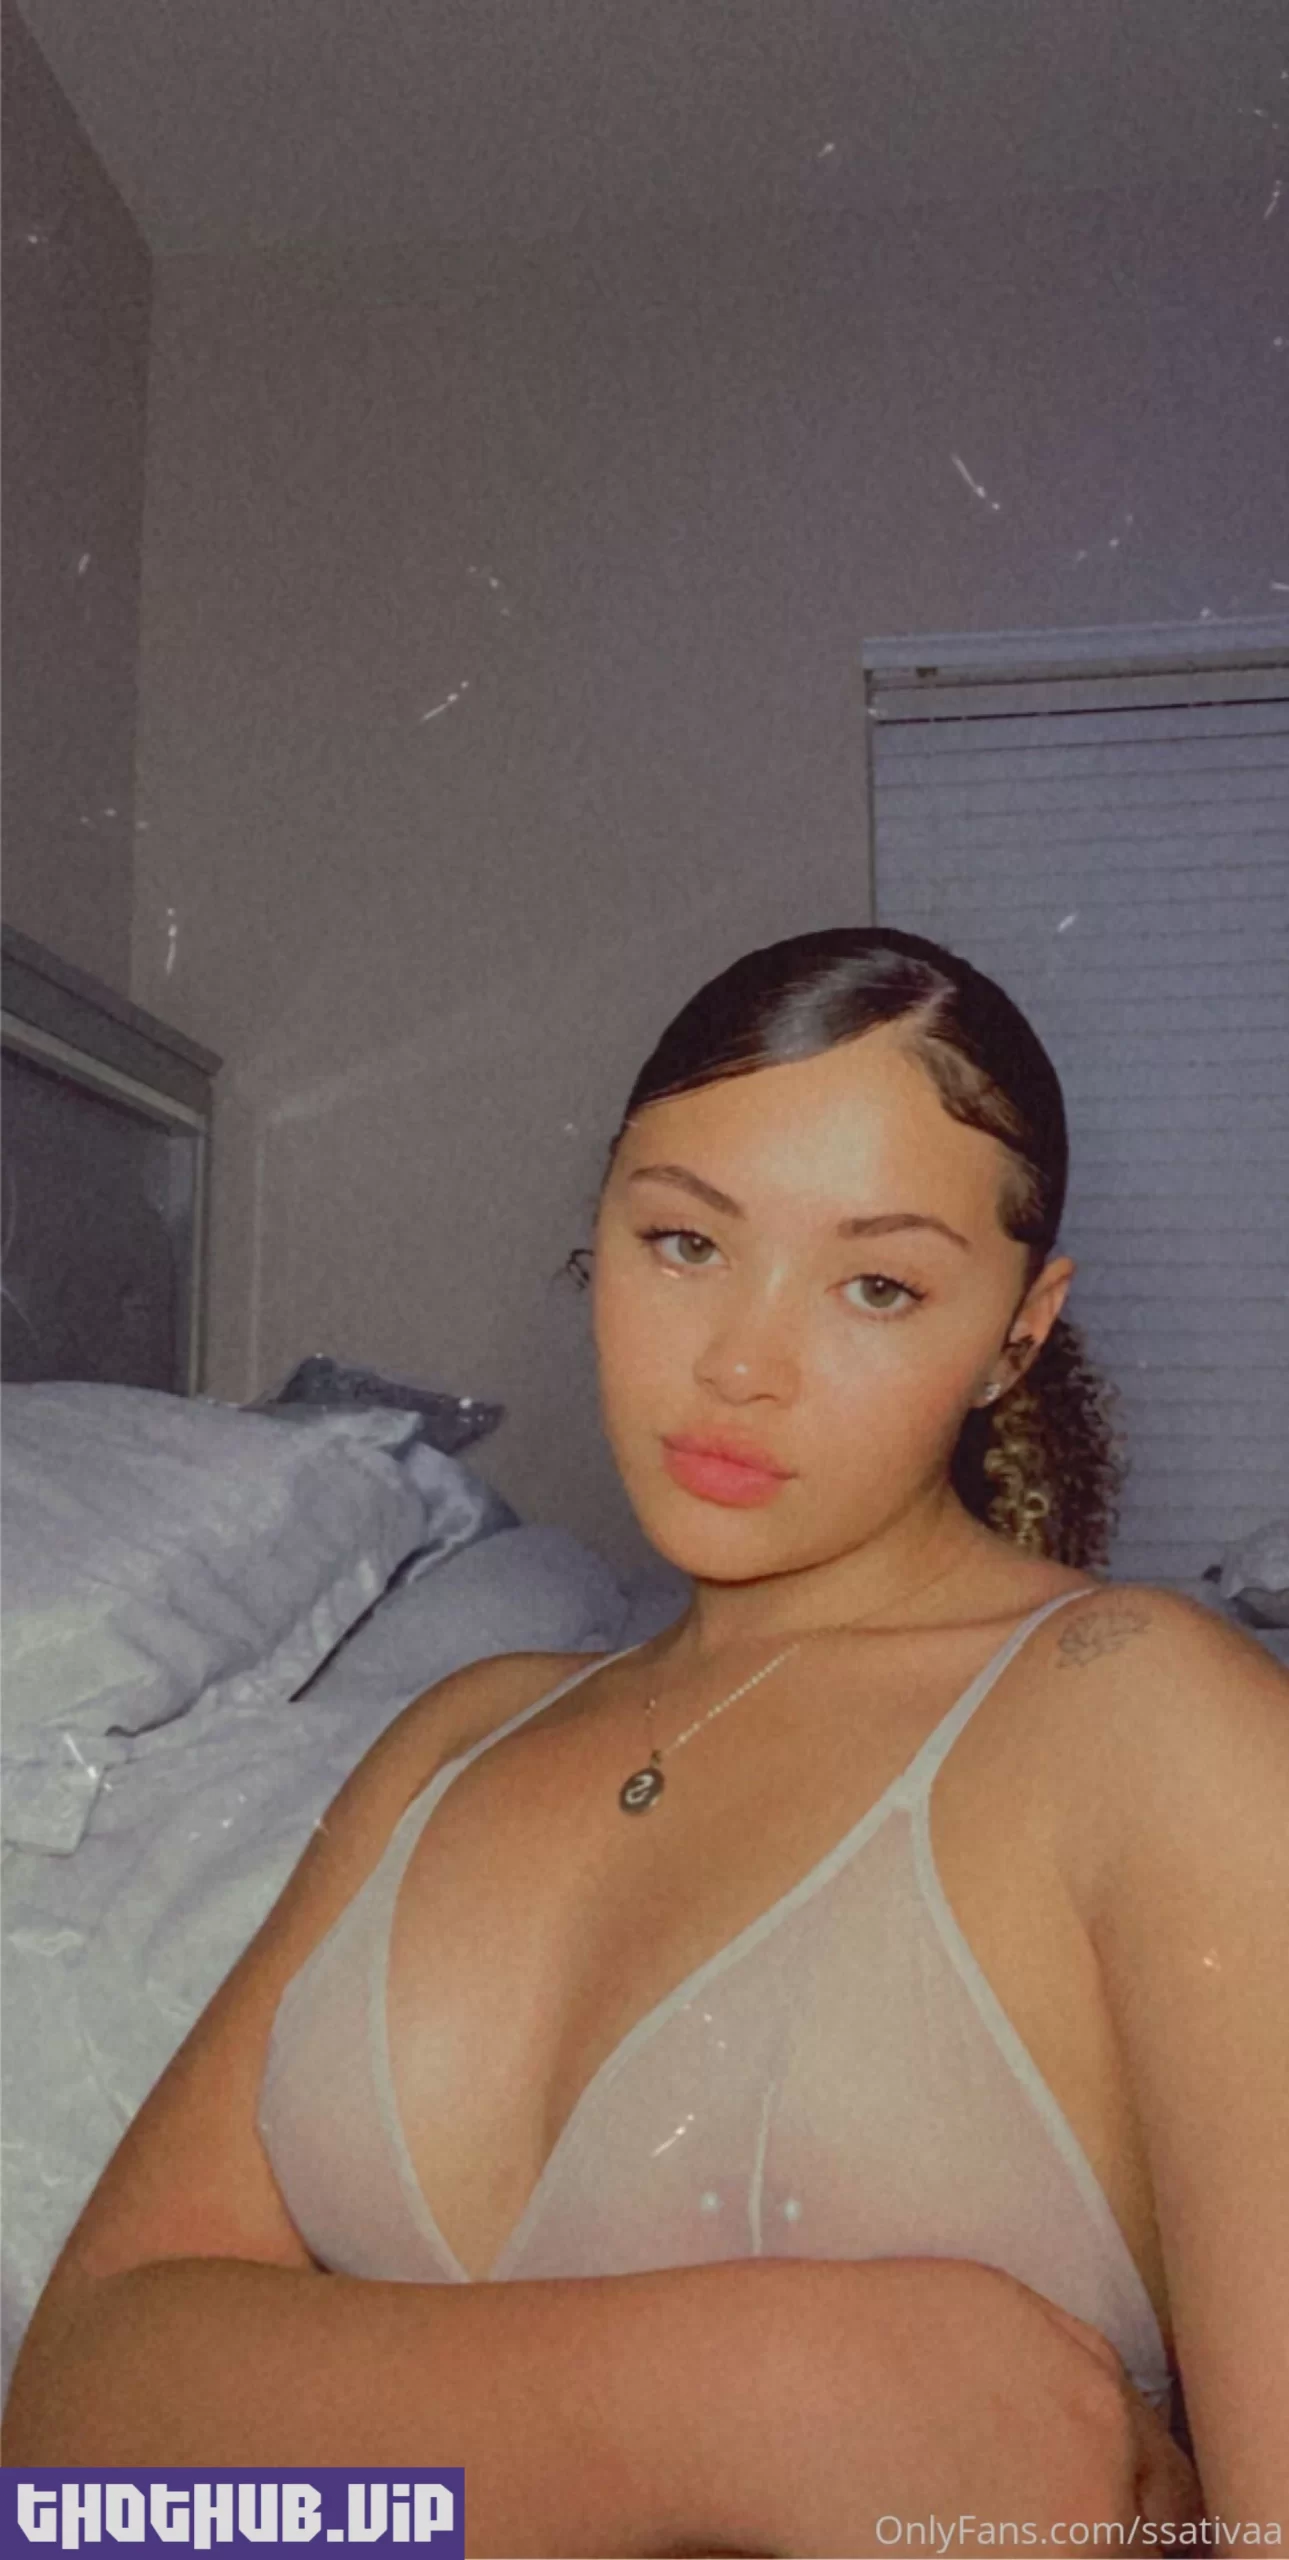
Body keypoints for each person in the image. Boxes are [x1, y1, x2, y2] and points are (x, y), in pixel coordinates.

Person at [6, 927, 1285, 2556]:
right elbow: (70, 2462)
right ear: (600, 1232)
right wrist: (737, 2397)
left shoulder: (1153, 1718)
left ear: (1017, 1336)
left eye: (878, 1285)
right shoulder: (454, 1738)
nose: (742, 1364)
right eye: (685, 1241)